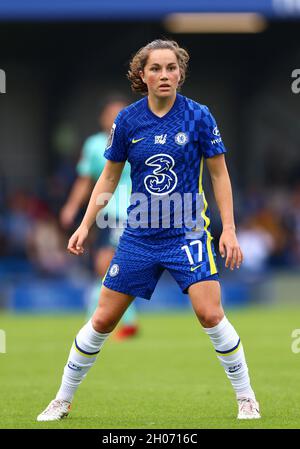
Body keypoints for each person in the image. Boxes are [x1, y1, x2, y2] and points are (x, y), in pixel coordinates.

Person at [37, 39, 260, 422]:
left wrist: (230, 230)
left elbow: (219, 173)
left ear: (180, 73)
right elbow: (106, 178)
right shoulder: (127, 121)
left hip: (187, 232)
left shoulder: (199, 116)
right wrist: (85, 224)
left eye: (171, 68)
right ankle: (62, 399)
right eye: (156, 68)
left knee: (210, 314)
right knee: (104, 319)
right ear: (142, 74)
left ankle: (246, 398)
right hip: (139, 235)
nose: (164, 75)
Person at [60, 97, 139, 338]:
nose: (116, 118)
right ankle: (126, 322)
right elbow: (85, 179)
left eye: (120, 114)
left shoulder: (137, 139)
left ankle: (99, 321)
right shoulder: (94, 145)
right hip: (108, 213)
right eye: (111, 114)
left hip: (135, 212)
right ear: (103, 118)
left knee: (107, 267)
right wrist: (72, 207)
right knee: (109, 268)